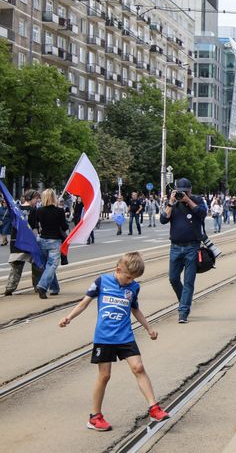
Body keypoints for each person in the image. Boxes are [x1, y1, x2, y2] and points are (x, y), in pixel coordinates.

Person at [57, 252, 170, 431]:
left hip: (125, 336)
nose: (130, 281)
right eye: (128, 277)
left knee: (138, 368)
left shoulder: (133, 287)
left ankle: (154, 408)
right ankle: (95, 417)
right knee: (104, 375)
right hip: (105, 338)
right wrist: (69, 317)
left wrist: (149, 328)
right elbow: (84, 303)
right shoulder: (101, 282)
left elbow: (135, 310)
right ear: (118, 270)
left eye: (133, 278)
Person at [159, 178, 207, 323]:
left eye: (185, 192)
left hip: (192, 246)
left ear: (190, 190)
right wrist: (171, 202)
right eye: (180, 192)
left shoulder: (197, 200)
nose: (183, 194)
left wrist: (188, 200)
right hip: (175, 246)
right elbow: (163, 219)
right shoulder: (173, 202)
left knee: (188, 281)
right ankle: (184, 301)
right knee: (173, 278)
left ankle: (183, 311)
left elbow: (202, 213)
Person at [4, 189, 41, 296]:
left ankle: (10, 287)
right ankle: (37, 286)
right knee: (36, 264)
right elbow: (34, 227)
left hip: (16, 241)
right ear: (30, 198)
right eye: (36, 198)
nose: (37, 201)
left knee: (16, 266)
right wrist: (37, 238)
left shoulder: (16, 209)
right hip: (28, 241)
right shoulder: (33, 210)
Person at [36, 188, 69, 299]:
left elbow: (36, 224)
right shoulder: (59, 211)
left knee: (48, 266)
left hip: (42, 240)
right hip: (55, 241)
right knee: (52, 265)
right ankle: (42, 286)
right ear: (54, 198)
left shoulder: (39, 210)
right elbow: (64, 227)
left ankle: (54, 288)